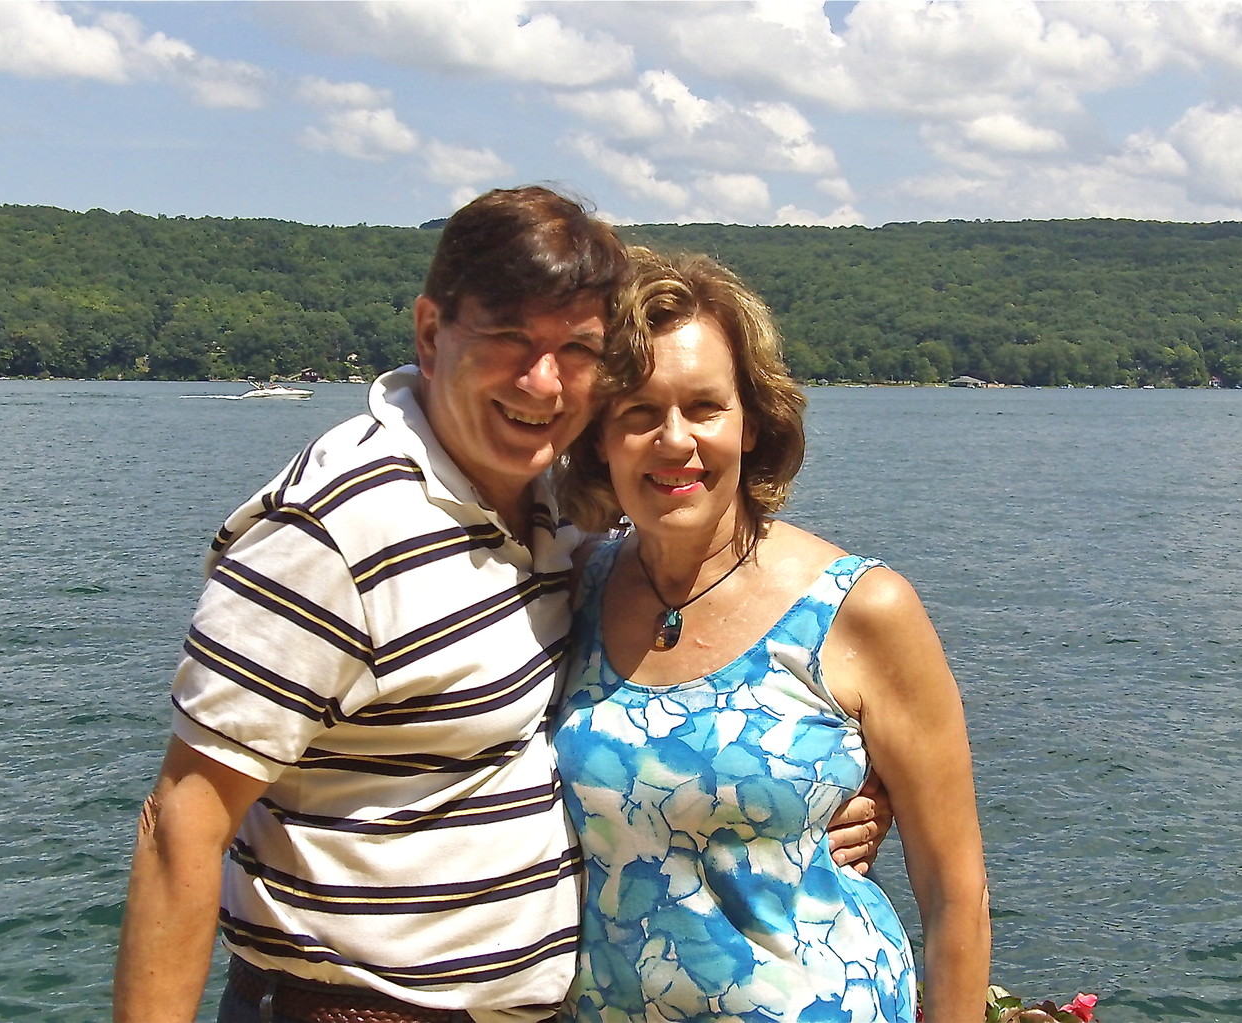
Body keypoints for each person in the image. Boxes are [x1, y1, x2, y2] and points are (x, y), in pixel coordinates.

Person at [112, 187, 889, 1023]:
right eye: (510, 339)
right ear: (430, 332)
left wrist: (829, 790)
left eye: (576, 350)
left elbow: (701, 667)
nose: (542, 381)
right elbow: (180, 824)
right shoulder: (334, 529)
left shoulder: (550, 504)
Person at [552, 248, 991, 1023]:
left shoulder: (860, 608)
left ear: (752, 421)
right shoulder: (571, 592)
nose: (674, 440)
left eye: (704, 407)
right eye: (640, 413)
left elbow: (954, 888)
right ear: (598, 438)